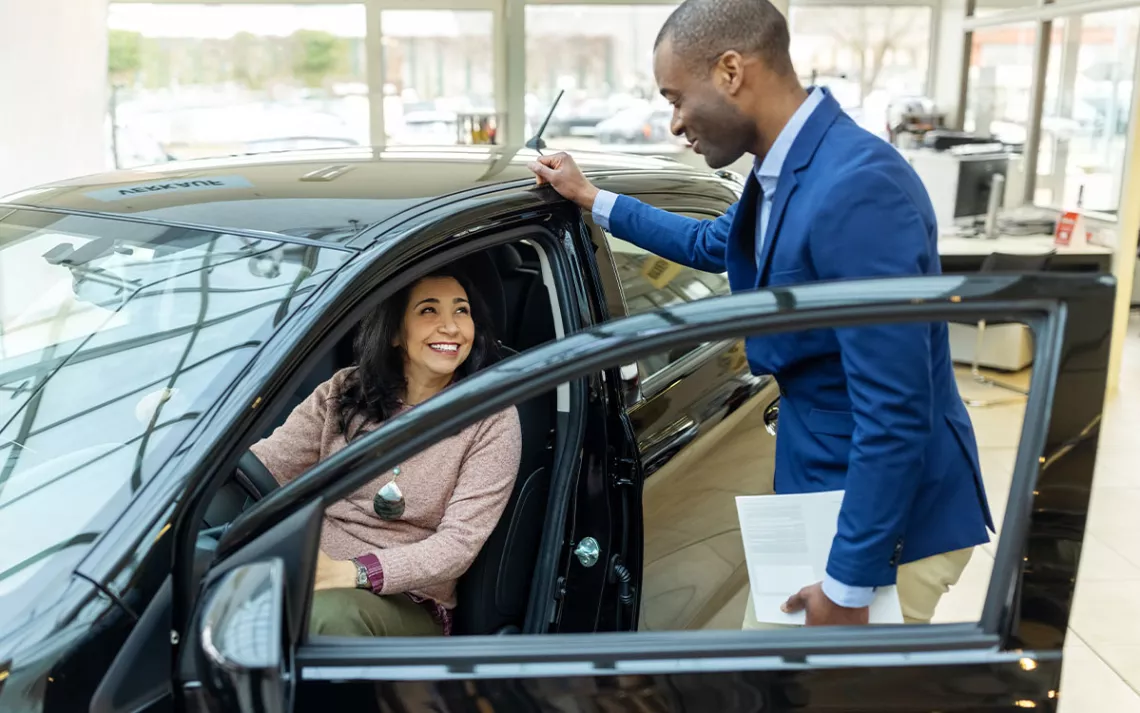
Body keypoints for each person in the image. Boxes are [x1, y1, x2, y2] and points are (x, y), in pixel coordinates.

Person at [528, 0, 992, 627]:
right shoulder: (778, 172)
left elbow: (896, 407)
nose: (673, 124)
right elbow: (706, 246)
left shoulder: (858, 187)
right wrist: (592, 198)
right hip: (821, 496)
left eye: (675, 98)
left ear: (729, 71)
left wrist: (851, 584)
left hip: (888, 526)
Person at [250, 267, 522, 637]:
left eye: (461, 311)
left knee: (325, 616)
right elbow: (261, 470)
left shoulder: (491, 416)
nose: (451, 327)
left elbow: (458, 545)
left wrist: (354, 572)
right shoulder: (345, 390)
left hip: (407, 600)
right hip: (307, 570)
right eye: (429, 310)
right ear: (395, 332)